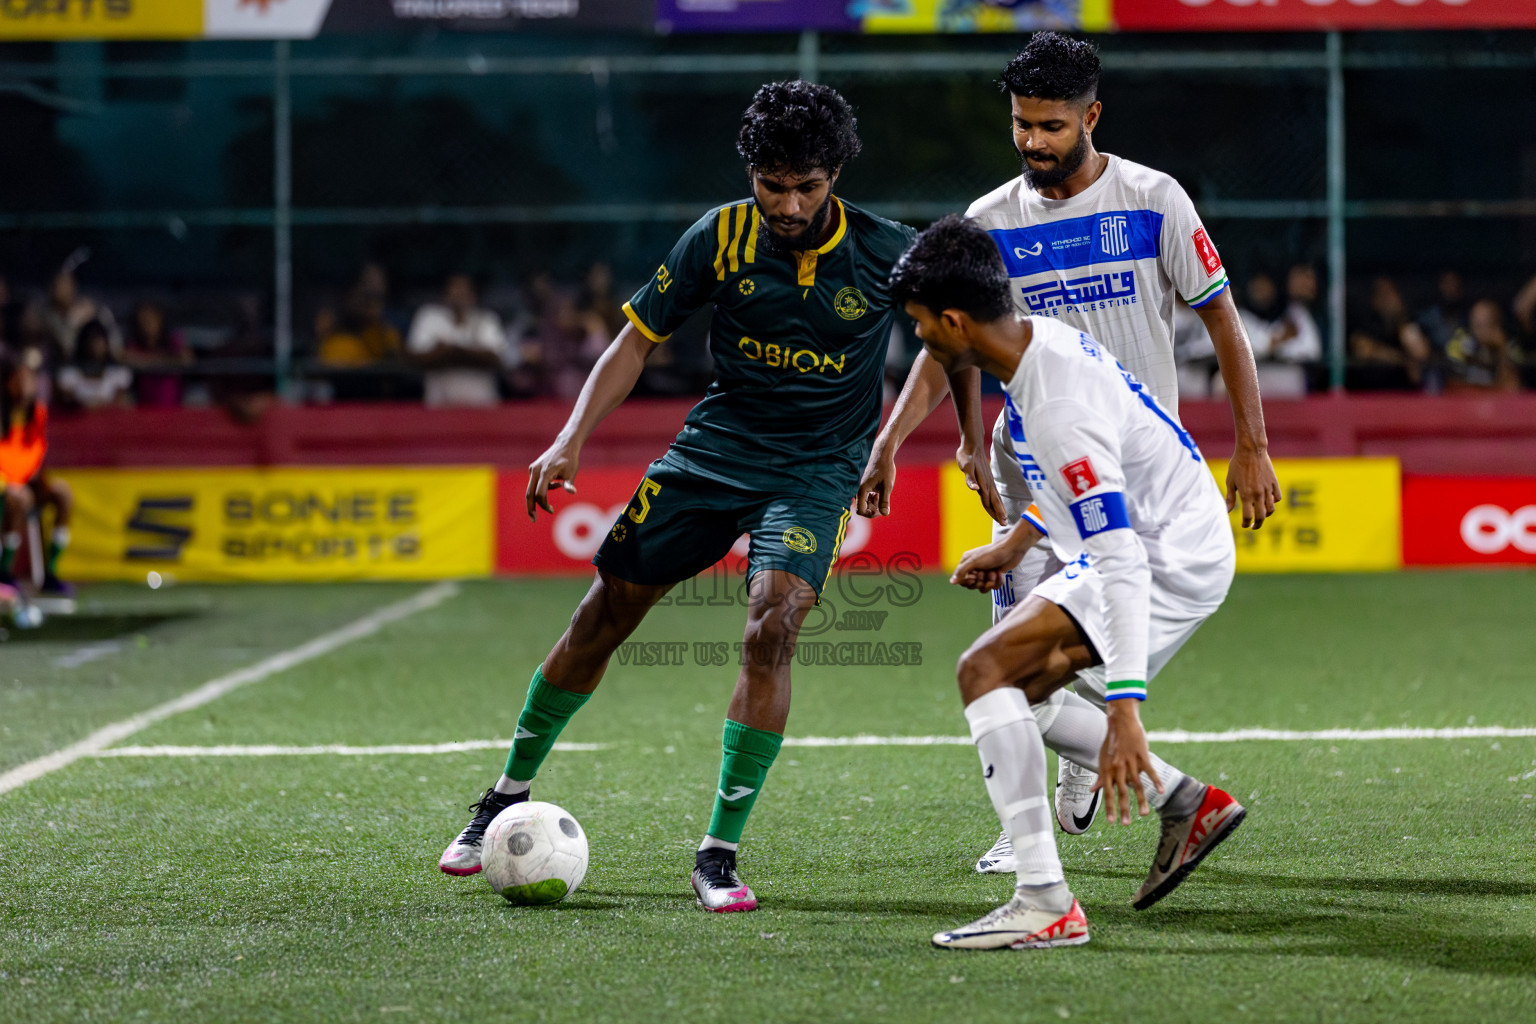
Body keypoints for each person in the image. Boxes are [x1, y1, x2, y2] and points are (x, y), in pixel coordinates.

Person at [436, 81, 916, 913]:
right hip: (715, 452)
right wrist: (570, 436)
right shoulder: (718, 237)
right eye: (773, 185)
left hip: (814, 470)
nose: (790, 203)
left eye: (808, 185)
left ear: (836, 173)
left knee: (775, 620)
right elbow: (635, 341)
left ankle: (718, 853)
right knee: (603, 614)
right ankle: (503, 797)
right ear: (752, 174)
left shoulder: (886, 251)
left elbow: (954, 343)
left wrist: (893, 443)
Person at [857, 32, 1277, 874]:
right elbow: (949, 347)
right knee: (1012, 666)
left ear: (1091, 115)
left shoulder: (1154, 200)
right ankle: (1036, 832)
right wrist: (907, 442)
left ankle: (1113, 792)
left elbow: (1220, 318)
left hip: (1125, 469)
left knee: (1027, 669)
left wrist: (1252, 444)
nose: (1032, 142)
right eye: (1021, 125)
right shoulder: (989, 221)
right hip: (1032, 477)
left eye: (1050, 126)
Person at [891, 215, 1245, 950]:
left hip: (1167, 551)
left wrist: (1124, 706)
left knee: (985, 670)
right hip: (1170, 526)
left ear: (956, 322)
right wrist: (1019, 541)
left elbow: (1121, 560)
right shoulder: (1038, 343)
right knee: (1015, 686)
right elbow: (1085, 480)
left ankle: (1044, 900)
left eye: (922, 327)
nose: (920, 341)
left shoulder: (1053, 407)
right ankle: (1185, 803)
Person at [0, 348, 73, 593]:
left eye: (29, 379)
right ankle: (5, 573)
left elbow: (35, 455)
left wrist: (38, 478)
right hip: (4, 486)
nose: (25, 386)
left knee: (63, 493)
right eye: (19, 379)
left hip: (25, 483)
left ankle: (51, 572)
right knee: (21, 498)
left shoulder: (37, 415)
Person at [406, 274, 508, 408]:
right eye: (455, 289)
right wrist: (473, 352)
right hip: (439, 406)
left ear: (473, 294)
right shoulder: (428, 317)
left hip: (482, 406)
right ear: (445, 293)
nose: (459, 294)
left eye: (464, 289)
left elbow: (496, 359)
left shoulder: (487, 320)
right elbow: (416, 359)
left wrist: (449, 351)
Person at [1347, 276, 1431, 391]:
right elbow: (1364, 351)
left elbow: (1421, 353)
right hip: (1369, 391)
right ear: (1373, 299)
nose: (1386, 299)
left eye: (1390, 293)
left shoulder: (1406, 322)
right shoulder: (1366, 322)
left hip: (1402, 393)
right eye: (1381, 293)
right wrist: (1402, 360)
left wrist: (1401, 319)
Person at [122, 302, 192, 409]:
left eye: (149, 320)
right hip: (144, 406)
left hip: (171, 405)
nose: (146, 325)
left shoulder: (172, 339)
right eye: (142, 321)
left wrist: (148, 361)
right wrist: (167, 361)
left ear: (160, 320)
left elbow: (187, 360)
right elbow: (127, 358)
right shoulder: (135, 343)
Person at [1444, 298, 1521, 393]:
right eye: (1476, 325)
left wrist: (1502, 348)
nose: (1480, 332)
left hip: (1498, 404)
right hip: (1467, 403)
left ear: (1497, 326)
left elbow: (1512, 389)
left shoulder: (1508, 348)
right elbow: (1451, 387)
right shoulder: (1462, 343)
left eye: (1487, 325)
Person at [56, 320, 133, 410]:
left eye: (99, 342)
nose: (95, 346)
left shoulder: (119, 373)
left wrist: (98, 406)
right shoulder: (68, 375)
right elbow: (67, 402)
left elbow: (119, 403)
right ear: (83, 343)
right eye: (91, 341)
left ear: (107, 344)